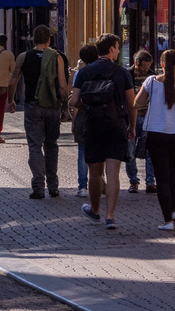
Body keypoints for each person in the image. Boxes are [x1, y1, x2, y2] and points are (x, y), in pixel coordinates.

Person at [70, 33, 135, 230]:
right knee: (113, 172)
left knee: (95, 172)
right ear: (113, 48)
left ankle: (95, 210)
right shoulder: (122, 73)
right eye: (118, 46)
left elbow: (73, 101)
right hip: (116, 126)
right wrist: (131, 126)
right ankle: (110, 217)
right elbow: (131, 104)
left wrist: (88, 108)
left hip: (93, 125)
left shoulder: (84, 72)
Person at [8, 24, 68, 199]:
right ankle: (53, 186)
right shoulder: (57, 57)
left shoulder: (23, 57)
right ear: (49, 40)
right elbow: (63, 86)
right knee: (51, 145)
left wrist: (11, 100)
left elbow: (13, 81)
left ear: (33, 39)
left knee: (35, 146)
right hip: (52, 106)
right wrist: (65, 107)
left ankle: (38, 187)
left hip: (33, 106)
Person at [133, 49, 175, 230]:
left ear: (162, 64)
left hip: (155, 134)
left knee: (162, 178)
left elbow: (137, 103)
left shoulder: (151, 81)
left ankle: (167, 220)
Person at [125, 49, 156, 194]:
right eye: (143, 67)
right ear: (136, 63)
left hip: (148, 117)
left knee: (150, 151)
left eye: (147, 67)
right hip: (131, 117)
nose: (145, 70)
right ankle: (133, 181)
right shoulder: (127, 75)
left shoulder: (152, 76)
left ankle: (150, 182)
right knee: (129, 151)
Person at [71, 44, 99, 198]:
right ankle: (100, 185)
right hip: (104, 115)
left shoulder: (80, 74)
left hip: (85, 114)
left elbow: (75, 101)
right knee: (101, 152)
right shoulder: (107, 70)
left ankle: (82, 186)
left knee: (82, 151)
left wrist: (74, 121)